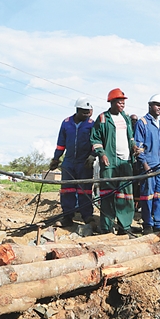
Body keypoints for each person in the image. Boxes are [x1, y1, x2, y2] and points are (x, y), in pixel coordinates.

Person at [90, 88, 136, 234]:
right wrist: (102, 154)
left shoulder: (126, 118)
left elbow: (130, 137)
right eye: (119, 102)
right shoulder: (103, 118)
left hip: (126, 162)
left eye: (123, 102)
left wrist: (134, 146)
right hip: (109, 162)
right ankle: (106, 227)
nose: (122, 104)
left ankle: (125, 227)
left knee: (126, 195)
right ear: (112, 102)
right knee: (108, 195)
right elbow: (95, 139)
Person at [50, 97, 95, 227]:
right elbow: (60, 144)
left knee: (85, 191)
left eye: (88, 111)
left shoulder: (91, 124)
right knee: (67, 190)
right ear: (77, 110)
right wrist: (56, 158)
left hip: (84, 163)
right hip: (69, 162)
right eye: (84, 112)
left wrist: (92, 156)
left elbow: (95, 142)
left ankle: (87, 217)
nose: (87, 114)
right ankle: (67, 217)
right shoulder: (66, 123)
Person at [135, 95, 160, 234]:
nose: (159, 108)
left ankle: (159, 223)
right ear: (150, 105)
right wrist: (145, 165)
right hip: (149, 166)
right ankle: (148, 224)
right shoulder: (142, 123)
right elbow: (138, 147)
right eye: (156, 105)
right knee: (147, 195)